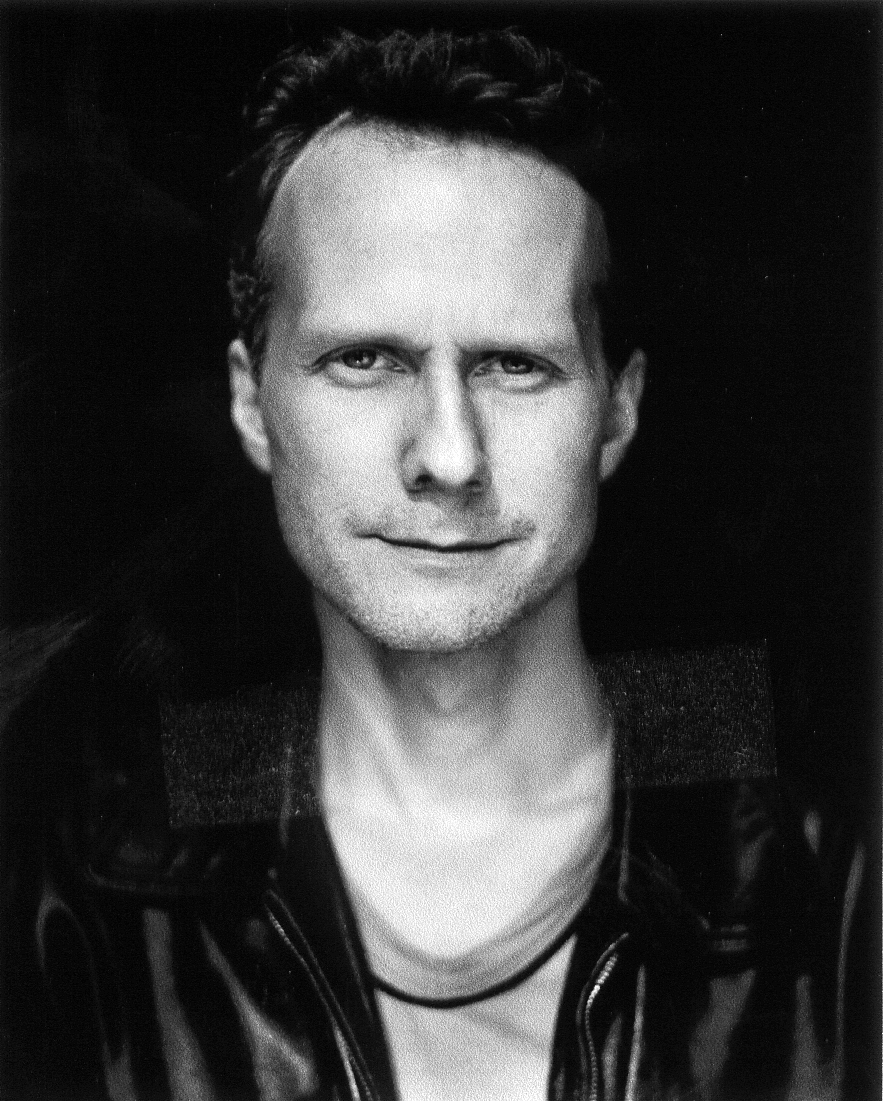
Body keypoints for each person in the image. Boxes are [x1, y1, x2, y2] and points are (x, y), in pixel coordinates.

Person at [1, 28, 866, 1101]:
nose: (449, 457)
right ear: (249, 402)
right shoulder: (68, 888)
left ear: (618, 408)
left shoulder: (837, 871)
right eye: (364, 359)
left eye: (514, 365)